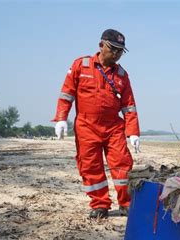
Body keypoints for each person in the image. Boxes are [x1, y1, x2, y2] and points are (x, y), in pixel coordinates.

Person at [52, 29, 140, 219]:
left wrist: (133, 133)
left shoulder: (123, 75)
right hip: (86, 126)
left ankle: (127, 204)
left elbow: (129, 107)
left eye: (120, 51)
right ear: (101, 45)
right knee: (91, 166)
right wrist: (61, 118)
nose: (116, 54)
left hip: (113, 128)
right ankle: (100, 205)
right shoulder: (80, 65)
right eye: (113, 49)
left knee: (122, 165)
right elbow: (66, 94)